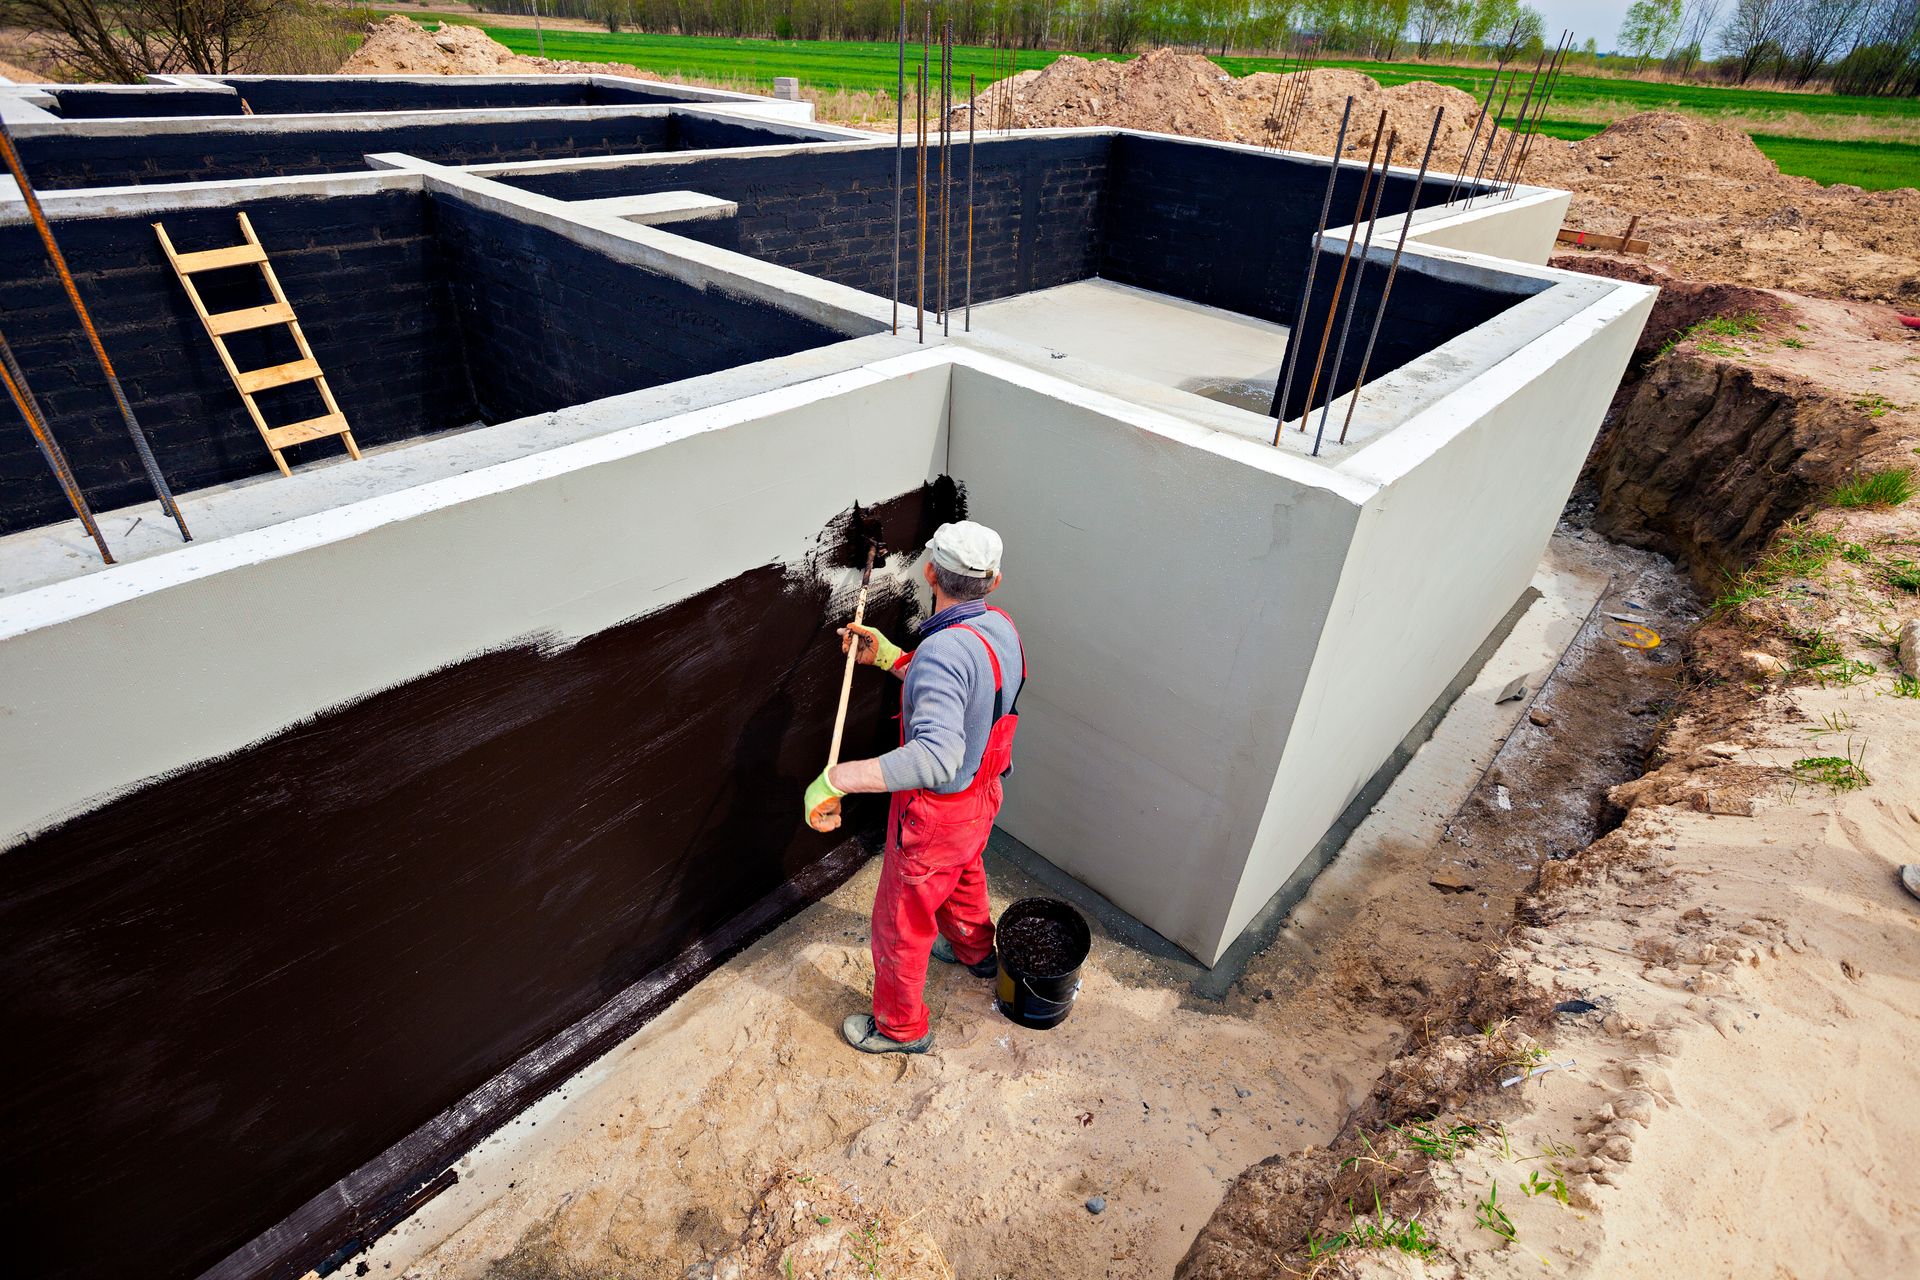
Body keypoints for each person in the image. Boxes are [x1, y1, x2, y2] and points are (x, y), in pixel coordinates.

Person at [803, 520, 1025, 1055]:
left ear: (930, 572)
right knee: (965, 872)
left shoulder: (944, 652)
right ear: (993, 581)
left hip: (936, 815)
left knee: (901, 924)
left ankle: (902, 1028)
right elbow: (972, 700)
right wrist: (891, 657)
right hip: (981, 798)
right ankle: (975, 952)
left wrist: (836, 778)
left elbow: (934, 757)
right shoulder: (1000, 628)